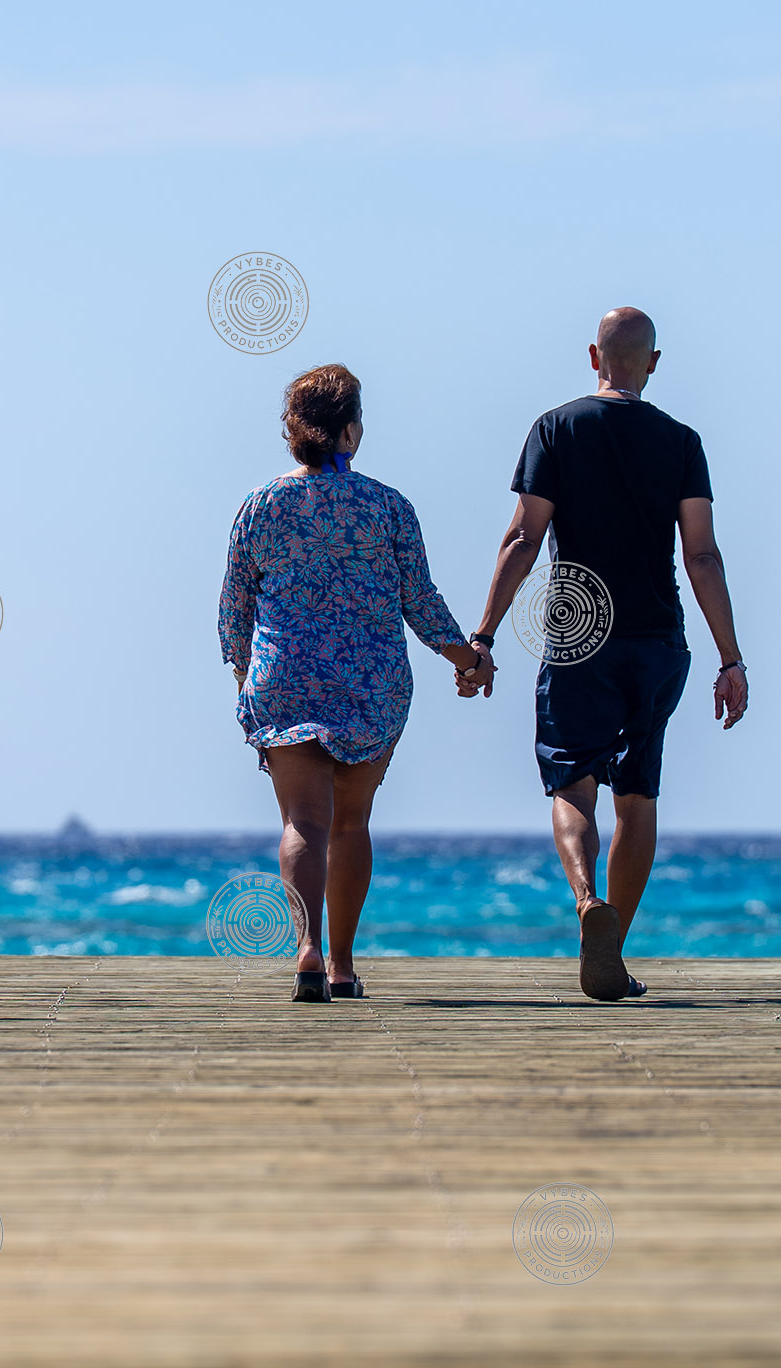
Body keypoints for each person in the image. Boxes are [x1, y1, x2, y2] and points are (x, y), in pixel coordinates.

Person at [464, 308, 747, 1003]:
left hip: (578, 634)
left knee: (571, 786)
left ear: (595, 356)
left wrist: (484, 635)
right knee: (639, 795)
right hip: (657, 639)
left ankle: (589, 900)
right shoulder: (681, 441)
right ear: (653, 362)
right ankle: (614, 950)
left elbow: (523, 540)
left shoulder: (556, 428)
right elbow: (702, 553)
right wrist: (731, 659)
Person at [218, 364, 493, 1002]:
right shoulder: (389, 506)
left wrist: (244, 676)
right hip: (370, 683)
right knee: (351, 824)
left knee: (302, 821)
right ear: (351, 432)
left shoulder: (259, 505)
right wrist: (468, 658)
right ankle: (341, 966)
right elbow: (420, 602)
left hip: (284, 676)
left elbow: (234, 608)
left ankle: (306, 950)